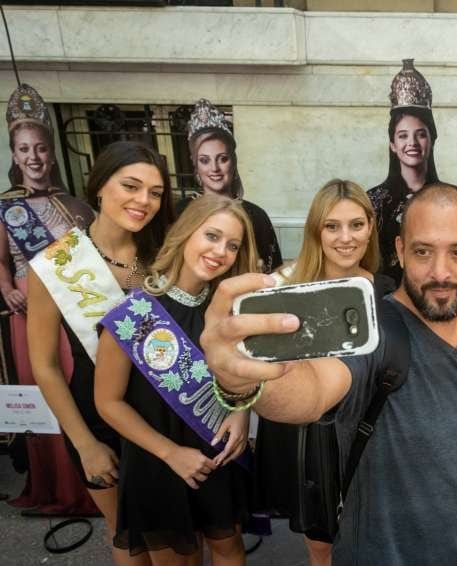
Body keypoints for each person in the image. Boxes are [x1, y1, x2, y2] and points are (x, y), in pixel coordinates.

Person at [200, 183, 457, 566]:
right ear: (400, 250)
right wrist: (243, 381)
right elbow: (311, 392)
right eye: (422, 251)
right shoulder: (375, 332)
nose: (440, 272)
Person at [28, 141, 174, 564]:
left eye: (155, 192)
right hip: (96, 416)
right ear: (99, 187)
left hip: (165, 411)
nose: (143, 200)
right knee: (126, 533)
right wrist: (84, 443)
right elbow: (46, 366)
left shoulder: (165, 252)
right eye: (130, 186)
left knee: (172, 533)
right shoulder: (57, 264)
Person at [94, 195, 257, 564]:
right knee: (178, 559)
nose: (221, 251)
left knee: (229, 546)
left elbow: (244, 381)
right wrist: (171, 454)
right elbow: (107, 402)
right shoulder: (134, 313)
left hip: (215, 448)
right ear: (185, 233)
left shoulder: (233, 312)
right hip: (157, 457)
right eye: (212, 236)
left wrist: (241, 413)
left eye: (232, 245)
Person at [254, 179, 388, 566]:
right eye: (332, 226)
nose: (345, 237)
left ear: (370, 227)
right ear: (317, 230)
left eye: (356, 225)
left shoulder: (386, 290)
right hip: (307, 437)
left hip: (363, 433)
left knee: (369, 536)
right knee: (322, 546)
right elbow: (258, 363)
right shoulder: (286, 284)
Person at [0, 83, 98, 514]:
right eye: (24, 149)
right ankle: (54, 486)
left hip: (74, 313)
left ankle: (89, 479)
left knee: (79, 389)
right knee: (43, 394)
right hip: (28, 315)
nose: (34, 157)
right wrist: (6, 289)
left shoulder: (77, 207)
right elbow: (1, 262)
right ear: (14, 154)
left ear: (52, 152)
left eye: (40, 148)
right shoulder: (4, 209)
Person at [177, 98, 282, 273]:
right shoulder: (180, 211)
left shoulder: (256, 216)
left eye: (222, 159)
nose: (215, 168)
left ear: (233, 161)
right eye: (204, 160)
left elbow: (272, 273)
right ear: (195, 163)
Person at [368, 59, 439, 286]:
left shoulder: (450, 198)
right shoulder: (372, 202)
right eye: (403, 136)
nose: (412, 143)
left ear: (432, 138)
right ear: (392, 144)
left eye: (420, 134)